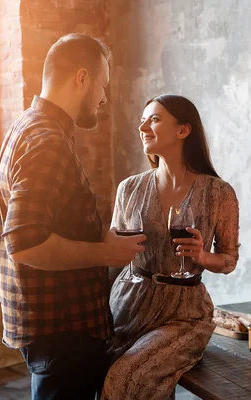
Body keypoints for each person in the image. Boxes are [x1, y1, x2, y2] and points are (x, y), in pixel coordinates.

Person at [0, 33, 146, 400]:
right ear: (82, 78)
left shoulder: (27, 126)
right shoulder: (47, 141)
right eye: (102, 85)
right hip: (62, 331)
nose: (103, 97)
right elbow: (25, 244)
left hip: (56, 329)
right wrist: (106, 254)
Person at [102, 94, 240, 400]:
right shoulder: (130, 188)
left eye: (154, 119)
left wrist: (203, 256)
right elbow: (113, 260)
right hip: (128, 303)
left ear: (183, 130)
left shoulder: (219, 193)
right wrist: (99, 312)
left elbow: (229, 259)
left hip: (185, 313)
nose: (142, 126)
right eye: (143, 118)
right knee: (121, 381)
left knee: (125, 377)